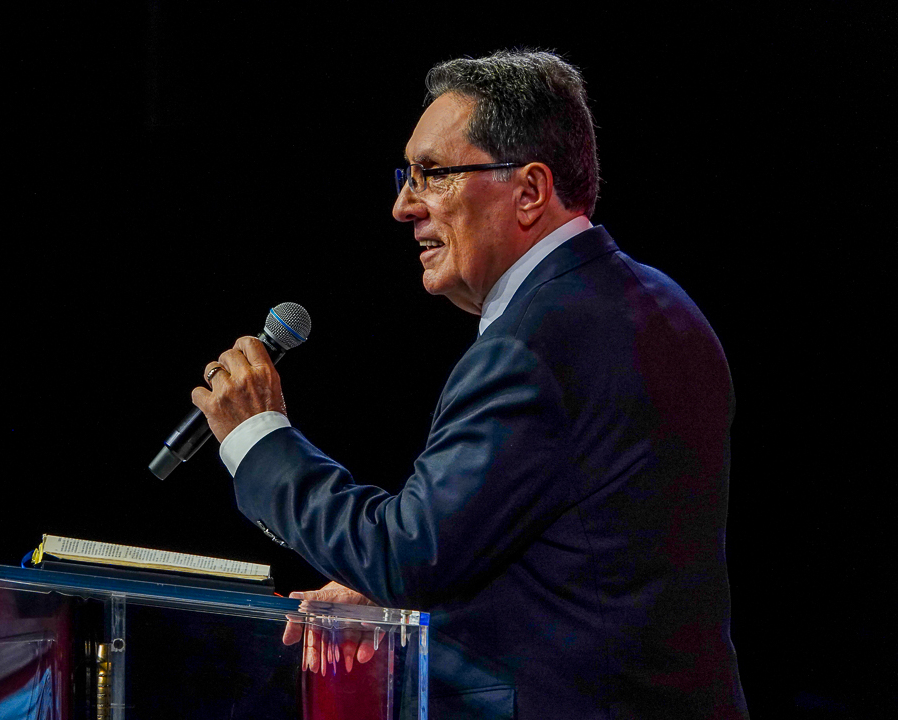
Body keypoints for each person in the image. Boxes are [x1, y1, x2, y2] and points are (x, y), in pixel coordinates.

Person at [191, 50, 749, 719]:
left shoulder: (531, 344)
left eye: (433, 174)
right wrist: (395, 590)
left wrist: (258, 437)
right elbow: (591, 555)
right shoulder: (665, 307)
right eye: (407, 175)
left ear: (530, 190)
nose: (404, 206)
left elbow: (406, 554)